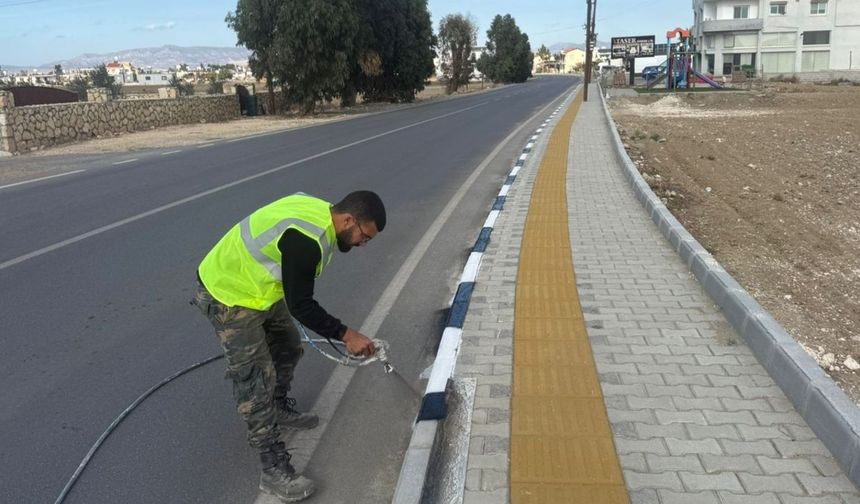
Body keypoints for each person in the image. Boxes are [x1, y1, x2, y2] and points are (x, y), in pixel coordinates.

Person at [193, 190, 386, 502]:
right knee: (254, 378)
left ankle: (278, 406)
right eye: (365, 236)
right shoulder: (306, 240)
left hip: (259, 289)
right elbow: (302, 306)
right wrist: (347, 335)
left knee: (288, 344)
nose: (363, 244)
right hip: (229, 292)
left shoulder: (322, 214)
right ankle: (272, 469)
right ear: (349, 219)